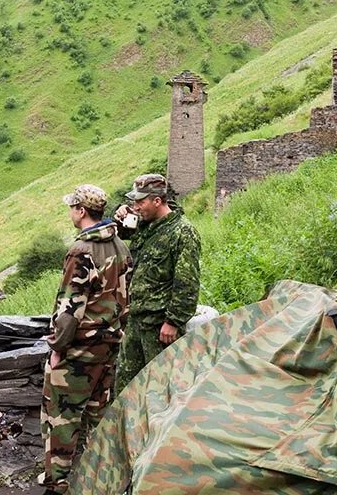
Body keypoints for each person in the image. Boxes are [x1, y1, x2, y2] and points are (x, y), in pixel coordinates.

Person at [39, 185, 132, 495]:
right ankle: (100, 482)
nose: (70, 213)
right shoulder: (120, 246)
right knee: (98, 416)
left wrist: (57, 349)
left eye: (72, 208)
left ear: (80, 211)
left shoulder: (81, 251)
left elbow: (69, 309)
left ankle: (58, 485)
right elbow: (124, 297)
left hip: (79, 351)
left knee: (62, 418)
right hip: (109, 345)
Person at [113, 174, 201, 391]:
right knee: (125, 388)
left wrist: (173, 321)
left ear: (157, 201)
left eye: (140, 202)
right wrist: (120, 213)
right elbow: (122, 232)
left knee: (161, 389)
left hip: (159, 327)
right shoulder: (145, 225)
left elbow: (187, 284)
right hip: (136, 321)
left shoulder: (182, 232)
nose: (136, 206)